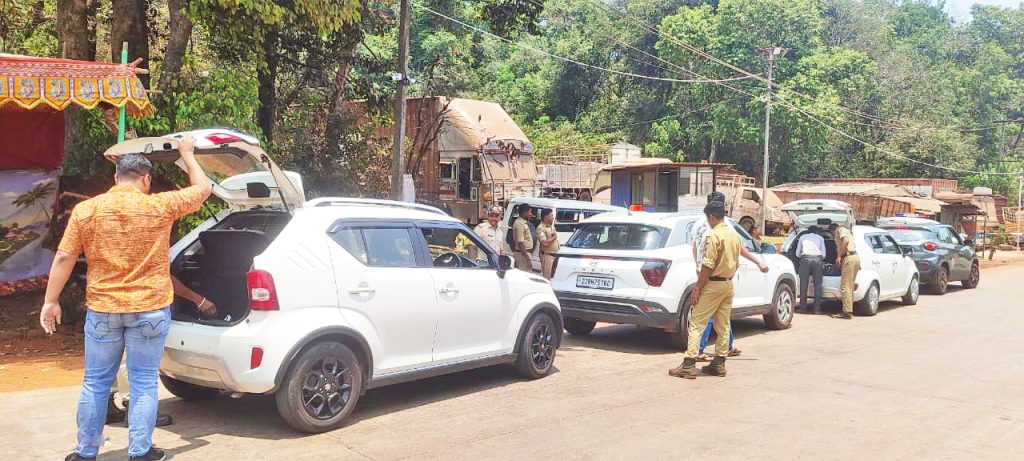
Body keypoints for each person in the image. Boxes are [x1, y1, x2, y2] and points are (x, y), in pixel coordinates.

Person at [40, 135, 211, 461]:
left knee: (95, 383)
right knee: (144, 382)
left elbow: (63, 258)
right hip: (150, 310)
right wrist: (188, 155)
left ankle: (84, 453)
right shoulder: (160, 206)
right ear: (146, 179)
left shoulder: (86, 211)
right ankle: (140, 452)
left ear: (115, 179)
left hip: (103, 310)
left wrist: (51, 300)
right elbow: (202, 189)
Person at [690, 191, 768, 361]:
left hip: (706, 274)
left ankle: (694, 358)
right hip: (723, 279)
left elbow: (696, 249)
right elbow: (739, 249)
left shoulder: (699, 225)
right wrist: (758, 262)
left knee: (704, 319)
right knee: (721, 319)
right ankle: (718, 359)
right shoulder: (727, 228)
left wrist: (698, 271)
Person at [671, 201, 741, 379]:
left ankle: (689, 364)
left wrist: (697, 288)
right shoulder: (734, 235)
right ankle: (719, 363)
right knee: (723, 324)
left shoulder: (713, 235)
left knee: (696, 323)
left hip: (712, 284)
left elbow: (707, 265)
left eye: (708, 218)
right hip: (728, 284)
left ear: (711, 216)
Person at [829, 222, 859, 320]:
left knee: (845, 285)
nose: (834, 236)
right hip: (855, 257)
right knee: (850, 286)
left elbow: (845, 241)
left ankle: (846, 312)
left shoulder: (840, 230)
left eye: (832, 234)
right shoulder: (848, 231)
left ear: (833, 230)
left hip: (848, 258)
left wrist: (839, 256)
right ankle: (849, 309)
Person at [796, 225, 826, 314]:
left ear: (808, 231)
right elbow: (824, 254)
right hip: (817, 260)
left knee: (803, 284)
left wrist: (803, 257)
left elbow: (797, 253)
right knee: (818, 285)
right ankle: (817, 309)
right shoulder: (820, 238)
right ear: (817, 231)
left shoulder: (802, 237)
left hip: (805, 259)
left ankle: (802, 308)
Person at [536, 210, 560, 279]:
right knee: (547, 277)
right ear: (546, 217)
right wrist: (554, 237)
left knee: (553, 277)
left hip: (554, 255)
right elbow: (544, 243)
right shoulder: (541, 228)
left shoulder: (551, 227)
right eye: (551, 215)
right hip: (547, 256)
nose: (553, 217)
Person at [512, 205, 535, 271]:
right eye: (529, 212)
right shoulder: (520, 224)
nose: (531, 214)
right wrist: (528, 260)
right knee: (524, 276)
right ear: (524, 212)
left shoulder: (523, 223)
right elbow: (520, 243)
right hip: (522, 255)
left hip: (524, 254)